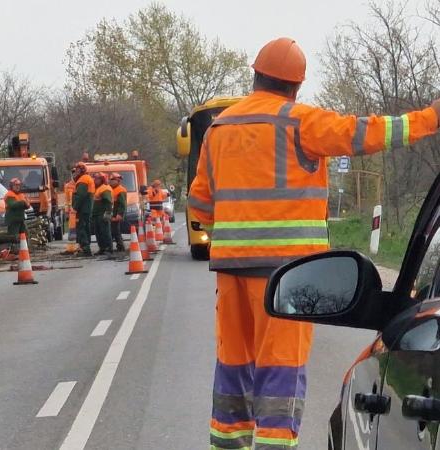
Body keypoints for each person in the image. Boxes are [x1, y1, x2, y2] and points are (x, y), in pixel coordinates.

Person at [188, 37, 440, 450]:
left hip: (231, 271)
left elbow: (201, 204)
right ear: (296, 86)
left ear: (256, 77)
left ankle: (227, 444)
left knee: (233, 366)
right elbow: (369, 133)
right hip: (287, 276)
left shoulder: (220, 128)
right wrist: (430, 118)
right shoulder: (300, 122)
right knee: (280, 369)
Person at [72, 162, 95, 257]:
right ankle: (84, 247)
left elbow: (80, 196)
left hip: (83, 209)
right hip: (86, 209)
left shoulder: (83, 180)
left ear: (82, 170)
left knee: (82, 228)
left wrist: (75, 207)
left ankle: (85, 249)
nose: (75, 172)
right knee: (85, 227)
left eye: (77, 170)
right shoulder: (86, 179)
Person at [92, 172, 114, 256]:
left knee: (105, 231)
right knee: (98, 232)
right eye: (95, 178)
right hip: (97, 214)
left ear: (102, 179)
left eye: (97, 179)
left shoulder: (105, 189)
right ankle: (102, 248)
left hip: (102, 214)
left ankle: (109, 248)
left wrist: (108, 214)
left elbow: (108, 202)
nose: (95, 180)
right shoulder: (98, 188)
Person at [109, 172, 127, 252]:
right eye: (110, 180)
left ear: (118, 181)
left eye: (113, 180)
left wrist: (120, 214)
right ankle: (118, 246)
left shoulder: (121, 190)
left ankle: (120, 246)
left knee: (115, 230)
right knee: (113, 230)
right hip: (111, 213)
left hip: (116, 214)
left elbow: (122, 204)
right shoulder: (111, 189)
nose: (111, 181)